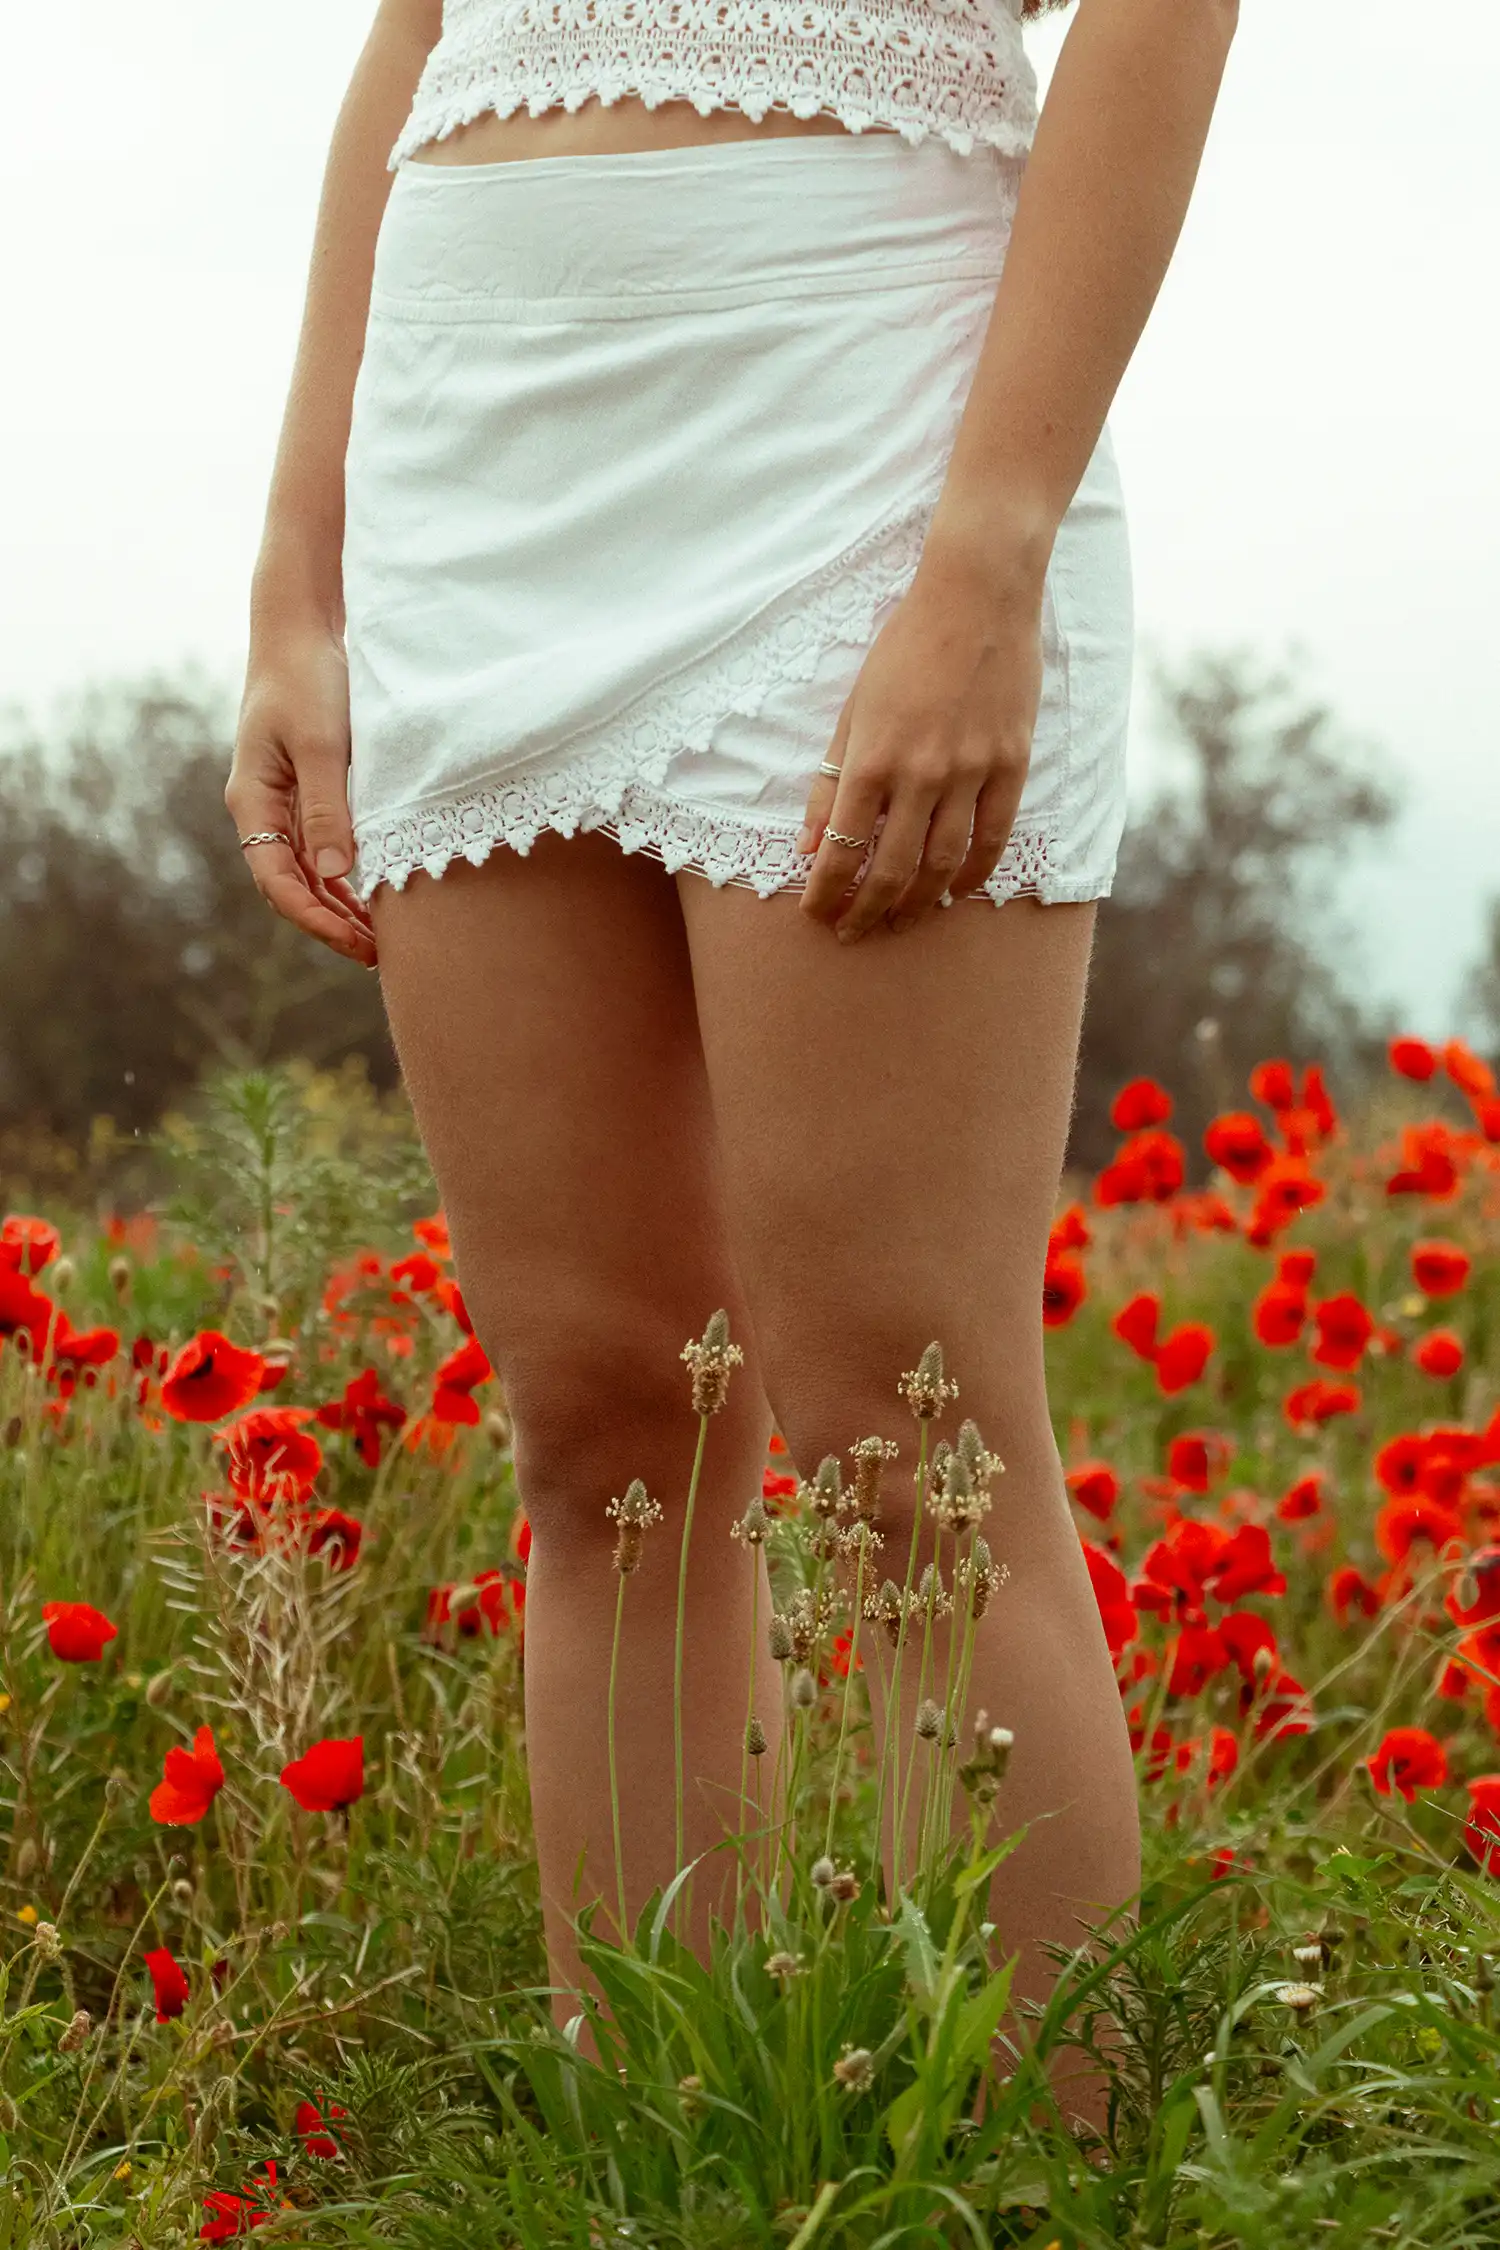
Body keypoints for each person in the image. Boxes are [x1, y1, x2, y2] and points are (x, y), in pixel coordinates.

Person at [228, 0, 1239, 2120]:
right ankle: (673, 2165)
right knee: (605, 1423)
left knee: (911, 1425)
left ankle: (1039, 2195)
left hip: (864, 390)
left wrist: (992, 548)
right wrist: (295, 578)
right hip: (472, 436)